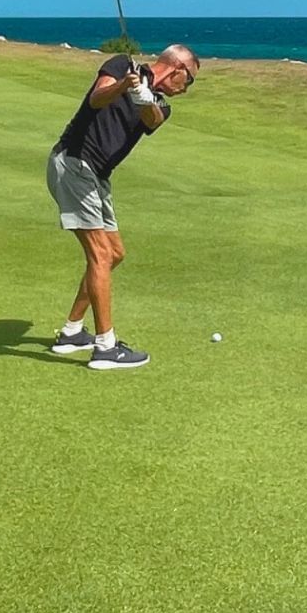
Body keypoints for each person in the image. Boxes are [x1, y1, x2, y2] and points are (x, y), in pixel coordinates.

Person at [46, 43, 199, 369]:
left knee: (114, 254)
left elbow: (153, 119)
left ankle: (72, 332)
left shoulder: (161, 103)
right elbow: (96, 99)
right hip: (75, 163)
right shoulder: (121, 65)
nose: (185, 89)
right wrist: (124, 86)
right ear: (177, 68)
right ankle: (105, 347)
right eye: (188, 81)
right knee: (100, 255)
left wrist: (142, 95)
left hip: (98, 176)